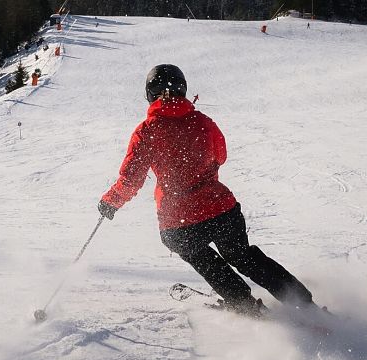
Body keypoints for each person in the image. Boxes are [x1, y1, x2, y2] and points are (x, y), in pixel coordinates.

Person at [97, 64, 315, 316]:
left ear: (149, 94)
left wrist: (110, 202)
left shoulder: (147, 131)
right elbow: (220, 156)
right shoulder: (202, 122)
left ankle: (242, 302)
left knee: (191, 249)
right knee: (243, 256)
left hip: (180, 221)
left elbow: (131, 179)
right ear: (183, 90)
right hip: (221, 209)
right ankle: (302, 302)